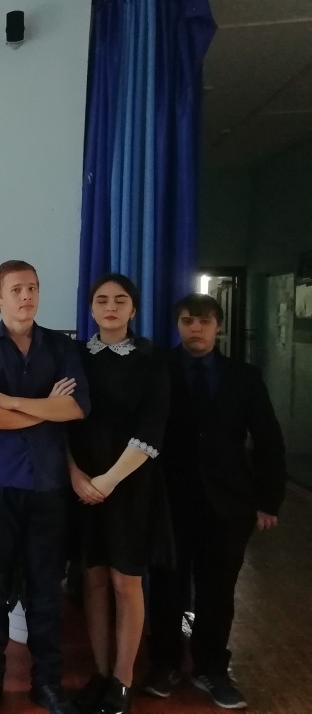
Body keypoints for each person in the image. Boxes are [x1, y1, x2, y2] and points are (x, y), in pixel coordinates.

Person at [143, 293, 286, 711]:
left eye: (204, 321)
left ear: (218, 326)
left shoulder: (244, 377)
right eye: (188, 320)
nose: (196, 328)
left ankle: (211, 668)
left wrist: (268, 500)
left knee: (218, 590)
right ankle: (164, 664)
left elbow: (268, 439)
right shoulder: (159, 370)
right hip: (169, 500)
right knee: (167, 588)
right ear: (178, 325)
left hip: (228, 504)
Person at [0, 259, 89, 714]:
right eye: (16, 289)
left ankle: (47, 684)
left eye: (32, 287)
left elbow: (75, 408)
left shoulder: (61, 346)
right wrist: (44, 408)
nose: (27, 296)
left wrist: (14, 402)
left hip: (48, 485)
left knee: (45, 589)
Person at [65, 275, 172, 714]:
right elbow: (62, 421)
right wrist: (76, 476)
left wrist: (107, 481)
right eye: (102, 300)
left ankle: (123, 679)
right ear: (91, 309)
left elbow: (152, 428)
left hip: (130, 484)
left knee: (125, 581)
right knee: (92, 577)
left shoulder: (152, 360)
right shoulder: (74, 357)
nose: (110, 307)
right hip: (82, 484)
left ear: (133, 309)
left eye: (120, 300)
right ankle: (101, 671)